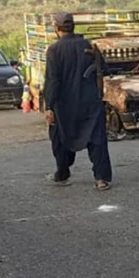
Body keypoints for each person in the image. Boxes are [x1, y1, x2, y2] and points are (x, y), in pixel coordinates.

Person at [44, 12, 112, 190]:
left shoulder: (54, 50)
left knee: (59, 136)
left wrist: (49, 106)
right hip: (90, 101)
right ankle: (101, 179)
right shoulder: (88, 45)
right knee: (96, 139)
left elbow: (52, 80)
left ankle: (62, 172)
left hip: (65, 104)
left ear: (56, 29)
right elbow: (103, 69)